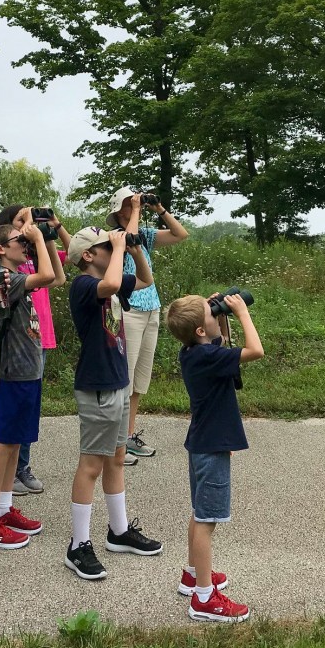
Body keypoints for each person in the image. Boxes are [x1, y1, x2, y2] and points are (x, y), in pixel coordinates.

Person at [64, 204, 162, 581]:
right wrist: (121, 246)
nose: (112, 247)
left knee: (117, 459)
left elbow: (145, 282)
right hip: (98, 387)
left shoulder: (113, 275)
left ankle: (118, 531)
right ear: (89, 256)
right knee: (91, 464)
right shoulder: (84, 285)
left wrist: (134, 249)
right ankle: (78, 545)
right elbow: (109, 285)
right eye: (107, 246)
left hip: (117, 382)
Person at [164, 292, 264, 622]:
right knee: (208, 521)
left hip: (202, 443)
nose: (215, 313)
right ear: (199, 331)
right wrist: (241, 312)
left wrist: (216, 316)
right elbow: (255, 351)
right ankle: (204, 599)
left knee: (199, 513)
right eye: (211, 313)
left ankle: (193, 576)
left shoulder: (194, 352)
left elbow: (217, 342)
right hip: (210, 450)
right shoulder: (206, 356)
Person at [0, 220, 63, 549]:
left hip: (29, 369)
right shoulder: (5, 278)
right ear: (0, 249)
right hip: (17, 369)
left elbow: (57, 277)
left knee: (15, 443)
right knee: (5, 443)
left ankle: (3, 508)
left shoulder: (15, 276)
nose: (23, 243)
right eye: (17, 240)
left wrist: (43, 239)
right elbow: (50, 276)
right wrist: (37, 236)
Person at [106, 187, 189, 461]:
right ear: (119, 210)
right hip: (129, 311)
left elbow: (180, 234)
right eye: (130, 204)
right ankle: (116, 441)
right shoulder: (114, 238)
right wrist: (138, 208)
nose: (136, 207)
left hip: (151, 310)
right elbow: (128, 238)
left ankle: (127, 438)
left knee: (140, 380)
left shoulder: (145, 236)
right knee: (125, 379)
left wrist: (159, 209)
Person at [0, 204, 70, 496]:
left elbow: (61, 276)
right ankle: (11, 470)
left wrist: (48, 232)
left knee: (30, 408)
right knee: (18, 406)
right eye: (20, 222)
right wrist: (31, 230)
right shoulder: (9, 267)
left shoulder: (36, 258)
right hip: (20, 341)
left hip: (40, 337)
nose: (28, 227)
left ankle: (22, 466)